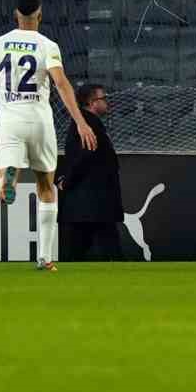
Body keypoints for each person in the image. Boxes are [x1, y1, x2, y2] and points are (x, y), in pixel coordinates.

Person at [0, 0, 95, 271]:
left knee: (4, 176)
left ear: (16, 15)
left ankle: (7, 179)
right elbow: (62, 83)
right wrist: (80, 120)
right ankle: (45, 258)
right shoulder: (47, 45)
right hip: (40, 120)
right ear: (39, 16)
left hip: (10, 120)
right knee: (46, 187)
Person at [57, 84, 123, 262]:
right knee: (107, 245)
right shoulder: (86, 124)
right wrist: (66, 181)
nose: (107, 102)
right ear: (92, 102)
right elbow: (84, 156)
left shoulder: (88, 122)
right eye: (103, 98)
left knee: (80, 247)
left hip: (90, 201)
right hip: (92, 198)